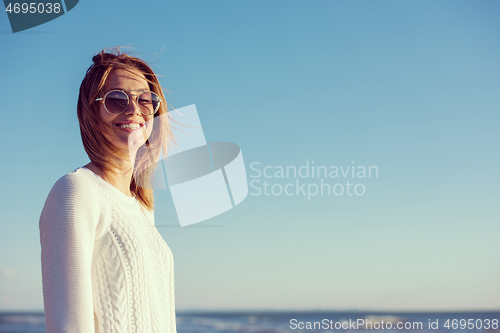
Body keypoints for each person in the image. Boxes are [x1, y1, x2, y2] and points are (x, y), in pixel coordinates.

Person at [39, 49, 176, 333]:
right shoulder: (76, 192)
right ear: (91, 110)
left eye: (146, 100)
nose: (134, 110)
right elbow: (68, 326)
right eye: (116, 99)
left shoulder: (141, 207)